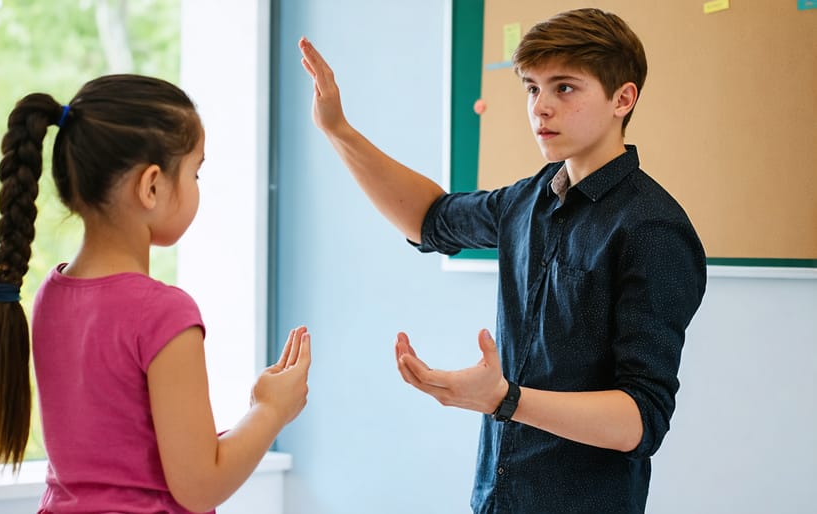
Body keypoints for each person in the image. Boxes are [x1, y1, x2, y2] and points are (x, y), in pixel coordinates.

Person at [300, 7, 705, 514]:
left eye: (564, 88)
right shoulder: (529, 200)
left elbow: (640, 420)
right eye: (533, 88)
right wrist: (339, 130)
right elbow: (429, 219)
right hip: (497, 500)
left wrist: (503, 399)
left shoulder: (653, 229)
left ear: (622, 99)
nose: (541, 108)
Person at [0, 74, 311, 514]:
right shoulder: (163, 314)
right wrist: (271, 411)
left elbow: (130, 457)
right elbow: (200, 485)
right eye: (195, 172)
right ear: (151, 186)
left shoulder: (51, 295)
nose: (197, 185)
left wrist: (253, 413)